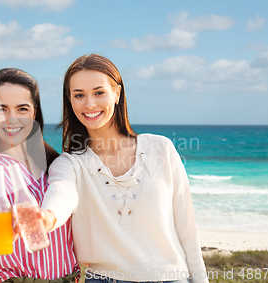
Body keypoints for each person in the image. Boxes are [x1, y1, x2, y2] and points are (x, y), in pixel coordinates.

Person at [40, 54, 209, 283]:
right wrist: (46, 217)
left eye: (99, 92)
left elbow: (187, 229)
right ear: (70, 100)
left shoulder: (161, 148)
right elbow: (61, 193)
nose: (89, 104)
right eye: (79, 95)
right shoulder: (69, 164)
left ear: (117, 93)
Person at [0, 68, 79, 283]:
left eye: (22, 109)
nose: (12, 119)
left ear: (34, 112)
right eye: (2, 109)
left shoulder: (54, 165)